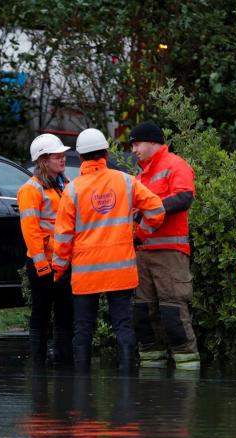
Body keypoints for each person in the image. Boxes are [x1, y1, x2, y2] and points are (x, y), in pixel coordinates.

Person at [52, 128, 166, 372]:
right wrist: (140, 233)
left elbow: (62, 237)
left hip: (86, 274)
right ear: (105, 152)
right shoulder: (125, 181)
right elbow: (157, 210)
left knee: (83, 328)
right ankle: (127, 385)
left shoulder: (72, 190)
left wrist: (58, 270)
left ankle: (81, 389)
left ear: (81, 157)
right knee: (123, 326)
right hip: (120, 271)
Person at [128, 120, 200, 370]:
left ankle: (188, 372)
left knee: (173, 313)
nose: (134, 149)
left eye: (137, 143)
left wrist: (150, 207)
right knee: (142, 314)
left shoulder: (174, 165)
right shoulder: (140, 174)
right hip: (143, 251)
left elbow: (183, 198)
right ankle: (151, 370)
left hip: (170, 254)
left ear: (153, 142)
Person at [17, 133, 74, 367]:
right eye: (57, 156)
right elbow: (30, 231)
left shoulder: (65, 185)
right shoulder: (31, 190)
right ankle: (38, 362)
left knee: (65, 313)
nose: (62, 159)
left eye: (63, 155)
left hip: (64, 261)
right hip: (43, 263)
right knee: (41, 313)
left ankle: (62, 358)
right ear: (42, 160)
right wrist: (41, 264)